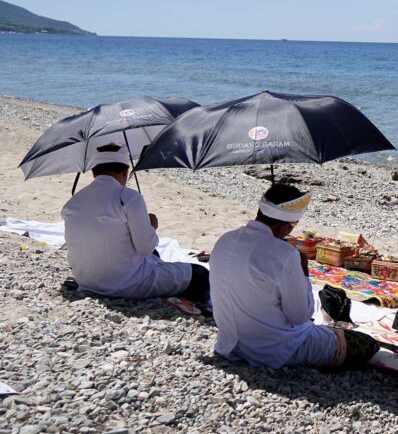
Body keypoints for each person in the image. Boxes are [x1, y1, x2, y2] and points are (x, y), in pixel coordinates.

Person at [209, 184, 378, 370]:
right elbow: (300, 316)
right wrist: (303, 271)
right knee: (367, 344)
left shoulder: (225, 239)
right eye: (293, 226)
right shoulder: (284, 254)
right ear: (284, 226)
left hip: (228, 343)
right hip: (275, 349)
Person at [61, 141, 210, 304]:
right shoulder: (129, 198)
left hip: (87, 282)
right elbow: (145, 248)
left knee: (154, 256)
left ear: (94, 172)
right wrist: (151, 227)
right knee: (200, 274)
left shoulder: (72, 203)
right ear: (125, 172)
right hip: (127, 284)